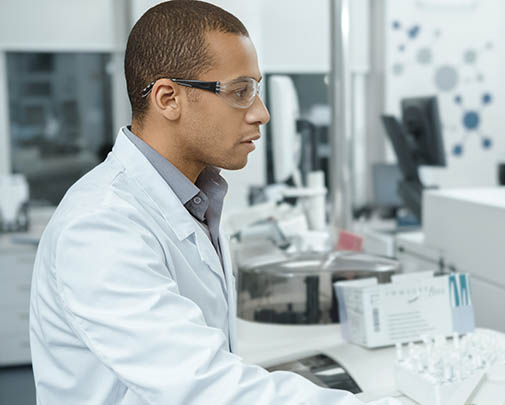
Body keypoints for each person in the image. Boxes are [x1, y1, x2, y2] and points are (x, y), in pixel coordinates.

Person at [28, 2, 398, 404]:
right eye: (240, 92)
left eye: (256, 89)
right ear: (168, 98)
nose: (262, 113)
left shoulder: (193, 199)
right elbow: (202, 387)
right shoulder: (100, 226)